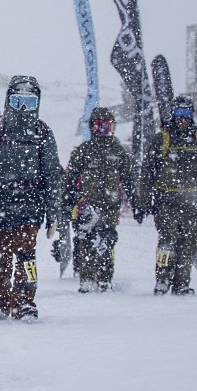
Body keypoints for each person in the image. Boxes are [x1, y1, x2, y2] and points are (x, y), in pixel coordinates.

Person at [0, 76, 63, 321]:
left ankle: (25, 302)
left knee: (27, 256)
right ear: (8, 101)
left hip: (29, 207)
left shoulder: (42, 133)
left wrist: (53, 212)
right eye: (17, 101)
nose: (23, 109)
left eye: (28, 102)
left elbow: (52, 173)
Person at [135, 95, 197, 296]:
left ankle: (182, 282)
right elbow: (147, 172)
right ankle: (163, 279)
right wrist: (143, 201)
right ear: (172, 115)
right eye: (178, 114)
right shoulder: (161, 140)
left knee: (188, 245)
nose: (182, 119)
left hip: (193, 205)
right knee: (167, 242)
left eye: (187, 114)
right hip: (167, 203)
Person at [62, 107, 134, 292]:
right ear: (92, 127)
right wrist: (67, 201)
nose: (103, 131)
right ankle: (86, 279)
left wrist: (137, 202)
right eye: (99, 126)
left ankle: (104, 278)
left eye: (107, 127)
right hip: (86, 206)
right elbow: (69, 180)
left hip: (110, 207)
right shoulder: (83, 151)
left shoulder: (118, 152)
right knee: (85, 241)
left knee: (107, 242)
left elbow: (128, 180)